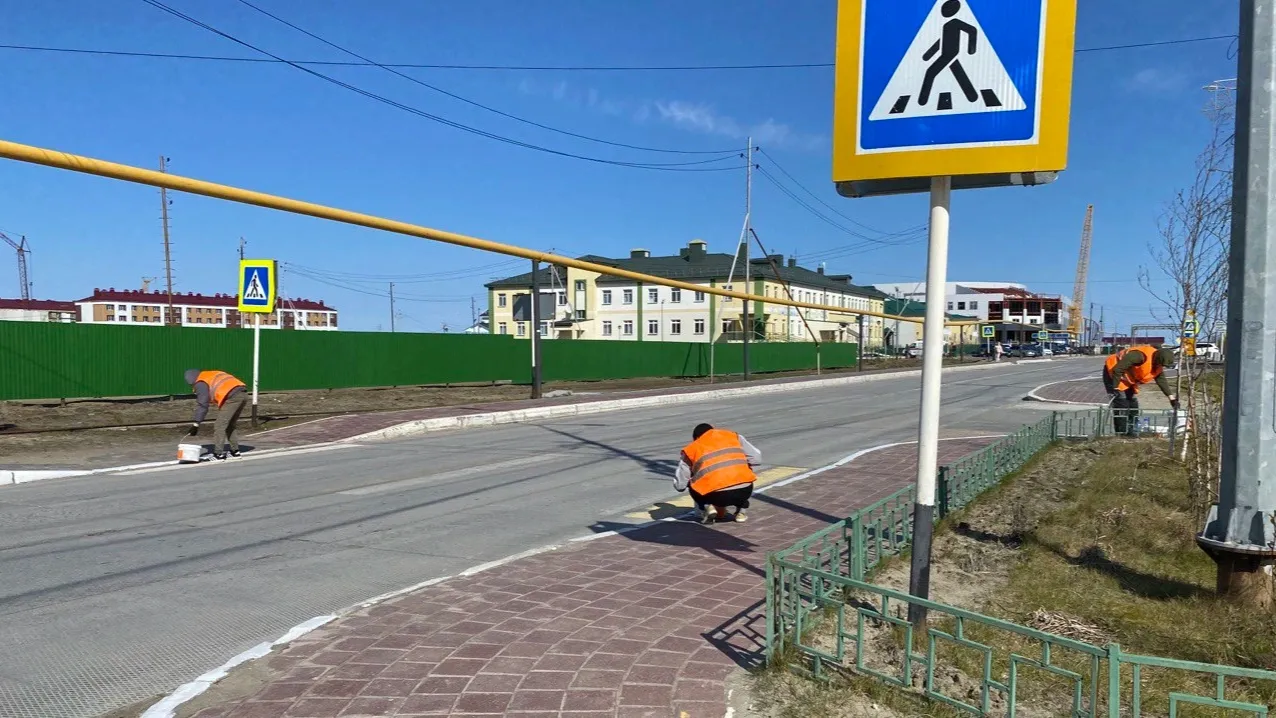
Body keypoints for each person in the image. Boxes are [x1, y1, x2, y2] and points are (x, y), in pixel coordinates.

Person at [674, 423, 761, 524]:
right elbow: (756, 459)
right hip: (745, 491)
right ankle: (741, 512)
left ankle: (707, 506)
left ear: (696, 438)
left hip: (715, 496)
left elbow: (680, 485)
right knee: (743, 474)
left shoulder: (692, 448)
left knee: (692, 482)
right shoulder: (734, 437)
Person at [1102, 346, 1178, 435]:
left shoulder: (1157, 363)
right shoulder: (1138, 356)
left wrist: (1171, 398)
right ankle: (1121, 433)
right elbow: (1117, 369)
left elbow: (1161, 380)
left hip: (1127, 378)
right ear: (1158, 360)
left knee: (1132, 403)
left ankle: (1132, 430)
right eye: (1162, 364)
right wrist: (1115, 388)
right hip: (1113, 373)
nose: (1162, 367)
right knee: (1121, 403)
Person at [185, 369, 248, 460]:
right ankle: (235, 452)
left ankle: (218, 454)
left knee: (219, 425)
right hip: (243, 394)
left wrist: (196, 424)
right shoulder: (208, 375)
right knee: (230, 425)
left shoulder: (200, 383)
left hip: (232, 397)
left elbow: (203, 405)